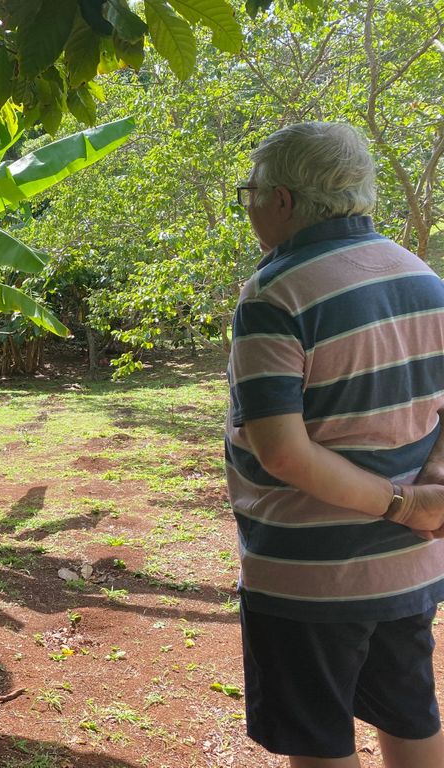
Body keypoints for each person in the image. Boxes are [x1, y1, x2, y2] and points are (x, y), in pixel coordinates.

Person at [225, 122, 444, 767]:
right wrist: (430, 488)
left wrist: (405, 504)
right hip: (410, 564)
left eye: (251, 191)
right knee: (409, 717)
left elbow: (283, 452)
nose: (250, 204)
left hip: (311, 576)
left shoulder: (277, 292)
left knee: (318, 743)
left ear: (284, 199)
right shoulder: (423, 278)